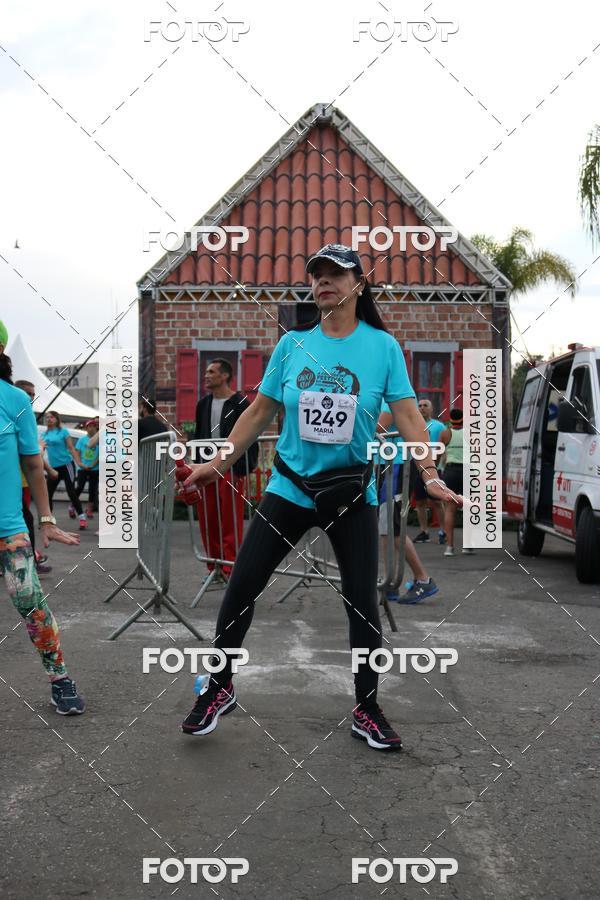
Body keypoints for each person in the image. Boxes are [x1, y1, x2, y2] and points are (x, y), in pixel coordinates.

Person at [179, 243, 460, 751]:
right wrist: (215, 464)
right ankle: (219, 688)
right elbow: (258, 414)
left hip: (351, 492)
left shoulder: (382, 348)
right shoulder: (292, 346)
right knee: (241, 589)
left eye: (336, 273)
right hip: (289, 488)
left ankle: (366, 707)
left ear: (358, 284)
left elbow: (408, 416)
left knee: (361, 604)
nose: (323, 281)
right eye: (316, 274)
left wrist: (428, 469)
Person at [0, 323, 85, 714]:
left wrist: (47, 519)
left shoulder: (14, 399)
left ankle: (60, 680)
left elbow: (34, 466)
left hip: (8, 530)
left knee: (32, 604)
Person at [193, 358, 258, 578]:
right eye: (206, 372)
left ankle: (230, 567)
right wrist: (196, 467)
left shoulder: (240, 403)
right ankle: (214, 567)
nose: (206, 375)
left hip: (231, 467)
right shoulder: (202, 404)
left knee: (230, 519)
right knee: (207, 517)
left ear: (225, 376)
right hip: (206, 466)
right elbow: (199, 435)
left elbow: (251, 435)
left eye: (211, 372)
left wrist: (243, 468)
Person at [376, 403, 439, 604]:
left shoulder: (389, 398)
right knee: (386, 529)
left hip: (397, 466)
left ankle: (422, 578)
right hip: (387, 465)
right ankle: (390, 582)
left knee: (393, 528)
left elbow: (379, 427)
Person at [14, 379, 55, 574]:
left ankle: (30, 558)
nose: (31, 397)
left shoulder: (24, 416)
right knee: (25, 520)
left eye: (33, 394)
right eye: (28, 393)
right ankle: (28, 561)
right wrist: (39, 449)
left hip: (23, 480)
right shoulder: (15, 415)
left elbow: (33, 460)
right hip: (14, 481)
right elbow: (30, 456)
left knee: (24, 519)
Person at [41, 410, 87, 529]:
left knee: (71, 492)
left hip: (66, 466)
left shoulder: (63, 432)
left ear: (56, 419)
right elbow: (40, 451)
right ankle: (48, 521)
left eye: (51, 417)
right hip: (54, 468)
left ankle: (82, 517)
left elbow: (71, 449)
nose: (49, 419)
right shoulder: (44, 435)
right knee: (48, 494)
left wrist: (79, 463)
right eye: (47, 417)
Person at [440, 408, 474, 556]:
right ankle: (467, 546)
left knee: (450, 509)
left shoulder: (445, 433)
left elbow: (440, 454)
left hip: (450, 471)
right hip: (467, 471)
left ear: (450, 418)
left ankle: (449, 547)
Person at [413, 398, 446, 544]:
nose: (422, 408)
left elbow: (444, 447)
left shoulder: (439, 426)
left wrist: (441, 465)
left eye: (425, 405)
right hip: (417, 467)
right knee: (420, 502)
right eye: (419, 405)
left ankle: (444, 531)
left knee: (437, 501)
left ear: (431, 409)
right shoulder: (413, 425)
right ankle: (424, 531)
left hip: (434, 468)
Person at [73, 419, 99, 519]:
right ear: (86, 428)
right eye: (89, 426)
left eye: (93, 426)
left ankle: (89, 510)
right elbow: (77, 453)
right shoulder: (82, 439)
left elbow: (100, 453)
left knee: (92, 489)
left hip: (95, 468)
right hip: (82, 468)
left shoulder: (98, 439)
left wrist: (93, 464)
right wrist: (80, 464)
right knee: (80, 487)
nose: (91, 428)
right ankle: (73, 504)